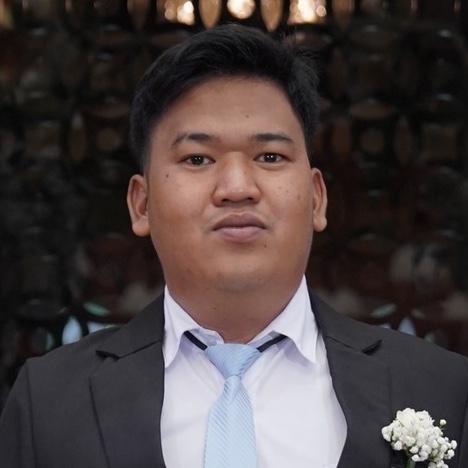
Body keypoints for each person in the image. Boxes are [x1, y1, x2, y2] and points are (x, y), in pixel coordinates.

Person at [1, 24, 467, 468]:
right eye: (197, 158)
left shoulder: (442, 389)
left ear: (317, 198)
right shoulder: (49, 402)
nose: (238, 187)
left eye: (270, 156)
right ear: (141, 204)